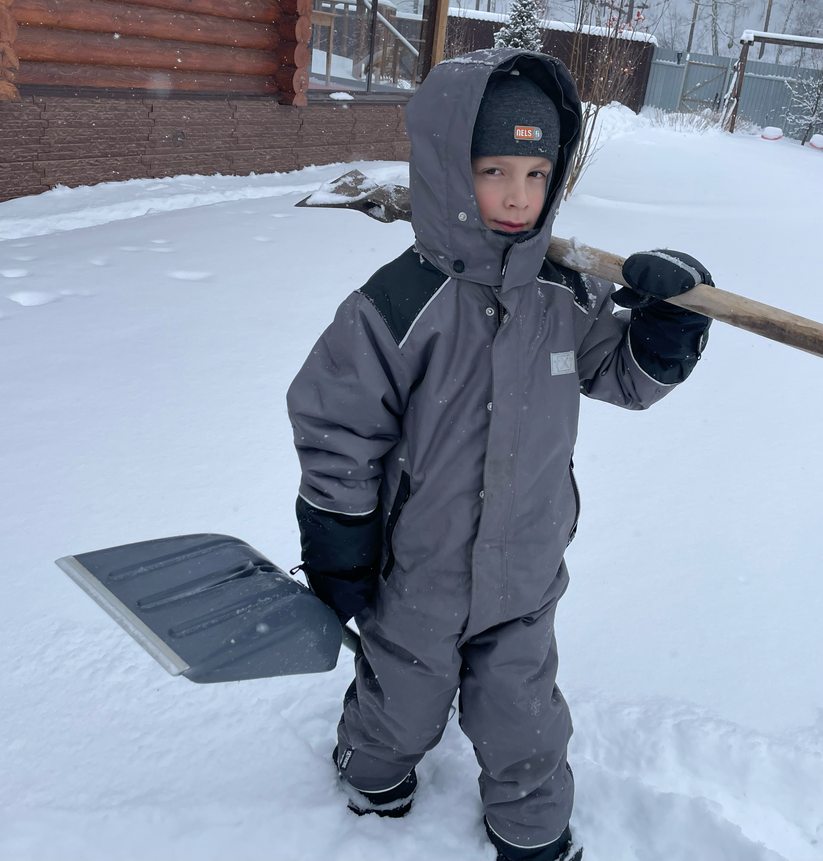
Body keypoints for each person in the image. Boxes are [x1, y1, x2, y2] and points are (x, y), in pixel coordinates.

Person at [286, 48, 714, 861]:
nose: (518, 195)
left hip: (526, 566)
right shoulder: (398, 303)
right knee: (401, 697)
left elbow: (619, 375)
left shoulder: (566, 295)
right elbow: (338, 424)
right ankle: (371, 773)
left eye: (535, 172)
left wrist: (669, 329)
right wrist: (339, 538)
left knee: (522, 712)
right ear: (451, 170)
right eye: (492, 170)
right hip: (419, 569)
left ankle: (533, 828)